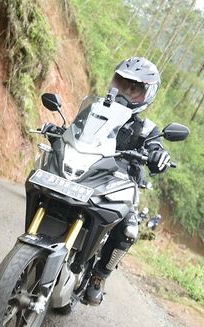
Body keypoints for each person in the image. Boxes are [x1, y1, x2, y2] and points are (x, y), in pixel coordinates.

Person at [84, 57, 171, 305]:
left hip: (121, 183)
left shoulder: (147, 129)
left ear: (146, 95)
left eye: (134, 88)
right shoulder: (96, 107)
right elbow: (77, 128)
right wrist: (59, 129)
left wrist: (158, 155)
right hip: (89, 170)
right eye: (122, 83)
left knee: (129, 229)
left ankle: (99, 276)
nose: (125, 91)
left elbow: (156, 145)